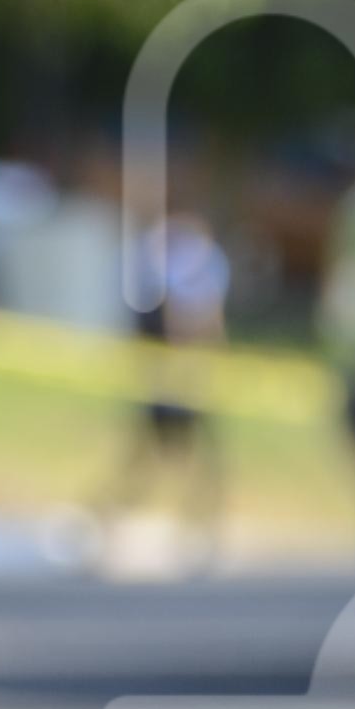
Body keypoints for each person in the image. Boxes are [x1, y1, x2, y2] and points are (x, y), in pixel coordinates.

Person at [99, 209, 232, 567]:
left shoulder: (197, 270)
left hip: (187, 388)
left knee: (195, 467)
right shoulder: (168, 276)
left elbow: (208, 325)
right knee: (145, 463)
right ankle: (105, 522)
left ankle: (197, 533)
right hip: (167, 389)